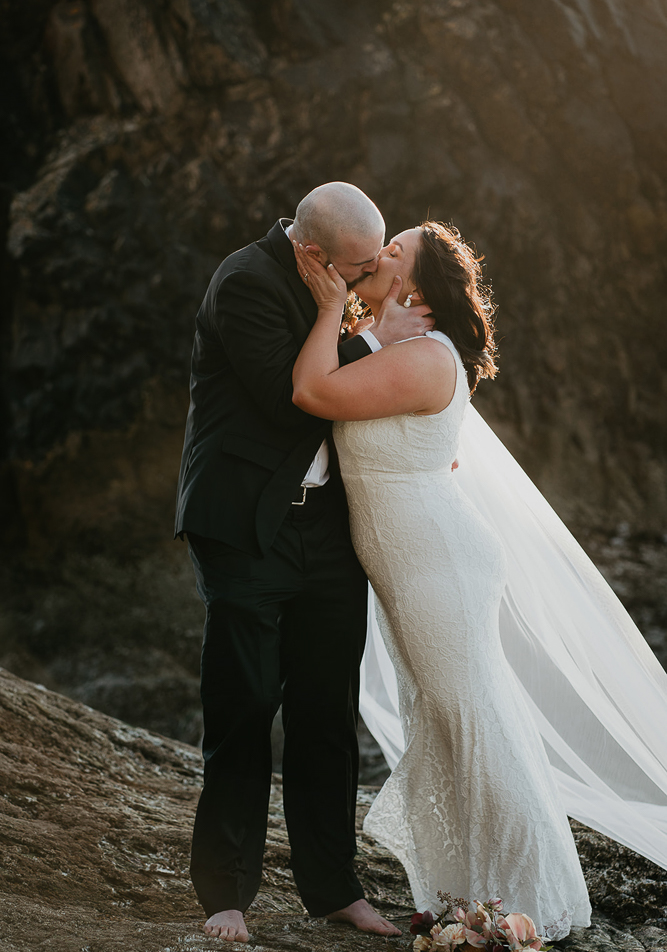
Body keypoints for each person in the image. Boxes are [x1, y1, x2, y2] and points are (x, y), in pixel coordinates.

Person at [291, 221, 594, 938]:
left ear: (416, 288)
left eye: (393, 250)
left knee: (470, 719)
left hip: (437, 563)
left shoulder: (425, 356)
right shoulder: (402, 346)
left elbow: (311, 391)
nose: (377, 253)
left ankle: (530, 901)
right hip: (412, 562)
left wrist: (334, 305)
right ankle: (468, 891)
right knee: (444, 720)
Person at [174, 183, 435, 941]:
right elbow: (299, 397)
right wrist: (368, 334)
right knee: (245, 705)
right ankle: (226, 894)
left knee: (325, 712)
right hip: (245, 525)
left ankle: (334, 889)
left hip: (326, 530)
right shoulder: (245, 280)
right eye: (357, 267)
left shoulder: (338, 284)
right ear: (314, 255)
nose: (367, 278)